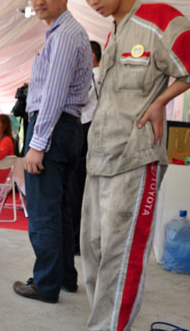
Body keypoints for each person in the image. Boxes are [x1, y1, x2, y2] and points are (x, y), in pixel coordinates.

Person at [68, 0, 190, 329]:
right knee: (92, 254)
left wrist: (160, 100)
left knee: (120, 258)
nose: (93, 1)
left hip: (134, 160)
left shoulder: (156, 19)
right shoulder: (113, 35)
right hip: (98, 162)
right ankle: (103, 323)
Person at [12, 0, 92, 305]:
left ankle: (45, 285)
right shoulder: (68, 33)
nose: (40, 1)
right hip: (67, 129)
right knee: (59, 209)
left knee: (44, 211)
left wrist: (37, 144)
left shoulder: (64, 35)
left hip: (53, 128)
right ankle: (64, 278)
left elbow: (55, 95)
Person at [69, 40, 102, 255]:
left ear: (90, 56)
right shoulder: (104, 77)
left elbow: (78, 101)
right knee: (84, 190)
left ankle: (75, 243)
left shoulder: (92, 76)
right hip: (94, 133)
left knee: (76, 189)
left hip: (84, 130)